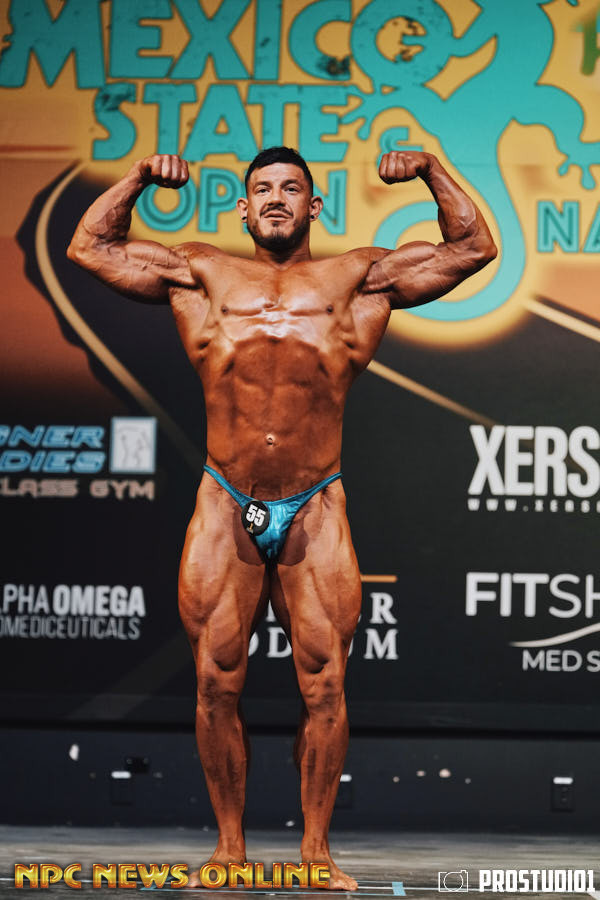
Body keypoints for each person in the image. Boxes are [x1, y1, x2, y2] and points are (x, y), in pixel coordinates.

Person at [68, 147, 496, 889]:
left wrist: (430, 168)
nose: (275, 198)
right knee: (215, 682)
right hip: (224, 498)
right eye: (262, 189)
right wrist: (135, 177)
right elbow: (89, 247)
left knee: (325, 685)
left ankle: (316, 855)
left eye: (291, 188)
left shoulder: (358, 279)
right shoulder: (200, 273)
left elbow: (472, 247)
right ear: (242, 208)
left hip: (315, 502)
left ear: (313, 206)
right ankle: (229, 851)